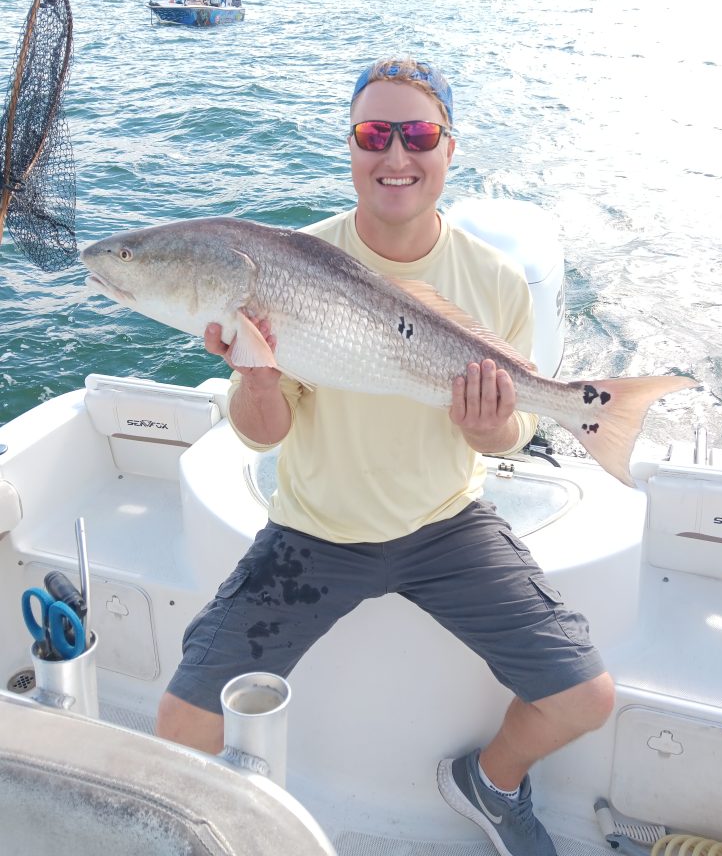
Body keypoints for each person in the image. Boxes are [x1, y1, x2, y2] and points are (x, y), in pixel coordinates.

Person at [156, 58, 614, 856]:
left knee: (587, 698)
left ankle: (491, 782)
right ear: (351, 148)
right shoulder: (289, 265)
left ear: (448, 149)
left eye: (417, 134)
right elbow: (264, 434)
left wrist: (490, 426)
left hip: (447, 527)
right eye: (374, 134)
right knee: (179, 722)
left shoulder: (494, 278)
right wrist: (258, 378)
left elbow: (509, 438)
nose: (395, 154)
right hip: (314, 530)